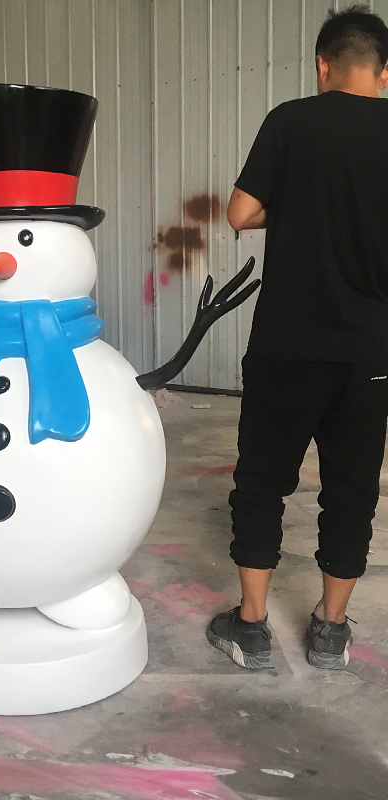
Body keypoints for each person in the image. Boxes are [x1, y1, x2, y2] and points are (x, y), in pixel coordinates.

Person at [208, 5, 388, 671]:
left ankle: (251, 627)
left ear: (322, 64)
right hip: (371, 350)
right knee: (352, 490)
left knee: (261, 480)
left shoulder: (290, 121)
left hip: (287, 345)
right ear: (385, 71)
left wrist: (301, 204)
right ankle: (331, 628)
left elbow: (239, 212)